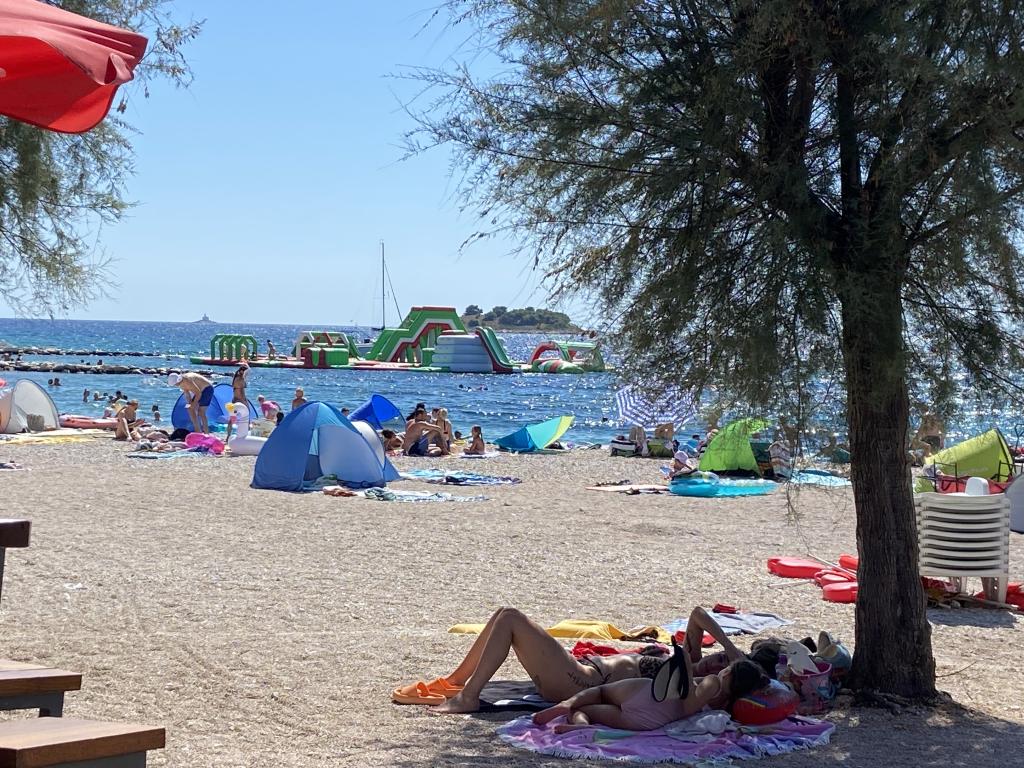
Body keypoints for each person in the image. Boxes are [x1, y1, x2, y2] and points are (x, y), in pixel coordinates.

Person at [428, 606, 772, 716]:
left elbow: (717, 690)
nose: (715, 662)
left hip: (580, 680)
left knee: (511, 619)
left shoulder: (694, 683)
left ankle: (469, 697)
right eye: (718, 658)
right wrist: (731, 648)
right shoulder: (692, 659)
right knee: (504, 614)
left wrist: (737, 665)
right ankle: (458, 682)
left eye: (722, 665)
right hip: (579, 672)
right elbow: (697, 614)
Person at [531, 651, 766, 732]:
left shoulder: (712, 682)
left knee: (599, 692)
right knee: (588, 712)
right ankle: (581, 726)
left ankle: (566, 704)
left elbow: (687, 704)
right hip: (650, 721)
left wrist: (684, 665)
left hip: (649, 695)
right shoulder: (726, 704)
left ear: (728, 673)